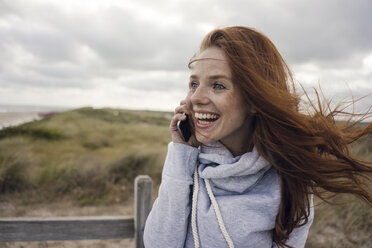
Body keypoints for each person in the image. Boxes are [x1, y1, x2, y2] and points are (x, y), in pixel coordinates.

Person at [143, 26, 372, 248]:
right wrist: (181, 152)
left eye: (218, 85)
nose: (195, 98)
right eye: (194, 83)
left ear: (254, 100)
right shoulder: (187, 163)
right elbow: (158, 244)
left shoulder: (291, 177)